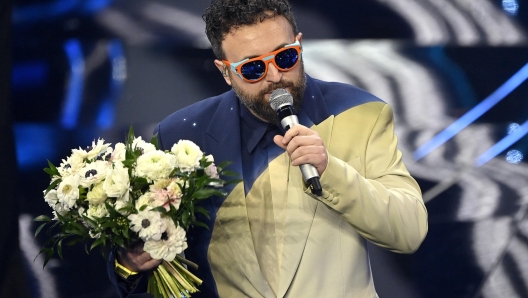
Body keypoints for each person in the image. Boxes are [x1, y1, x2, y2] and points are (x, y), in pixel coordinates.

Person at [108, 0, 428, 297]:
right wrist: (129, 265)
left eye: (285, 57)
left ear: (299, 45)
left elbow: (408, 231)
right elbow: (161, 269)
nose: (276, 77)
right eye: (252, 69)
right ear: (225, 73)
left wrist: (331, 171)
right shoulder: (180, 136)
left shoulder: (360, 113)